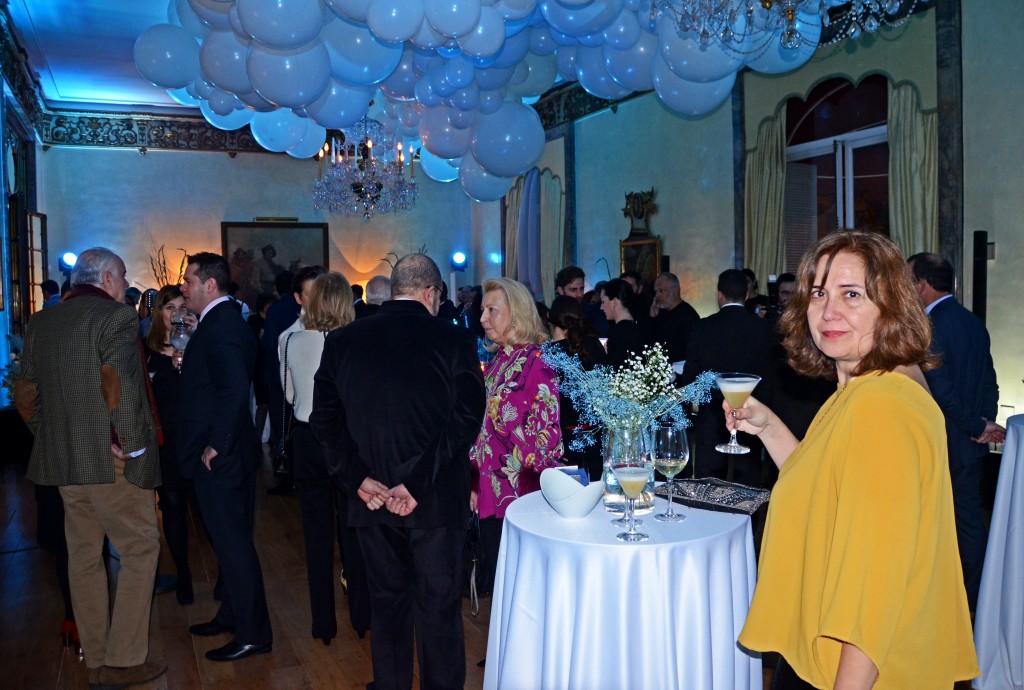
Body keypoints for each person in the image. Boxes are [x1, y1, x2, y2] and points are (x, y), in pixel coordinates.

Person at [730, 231, 978, 689]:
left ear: (891, 306)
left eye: (852, 294)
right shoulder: (868, 387)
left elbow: (873, 589)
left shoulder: (878, 406)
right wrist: (768, 428)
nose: (829, 312)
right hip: (843, 655)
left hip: (849, 668)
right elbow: (827, 488)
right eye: (819, 293)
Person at [310, 254, 485, 690]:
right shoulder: (453, 340)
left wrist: (357, 479)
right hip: (435, 497)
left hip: (371, 498)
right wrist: (417, 481)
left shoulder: (343, 341)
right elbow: (465, 419)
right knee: (438, 610)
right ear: (430, 292)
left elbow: (324, 421)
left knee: (388, 608)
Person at [15, 247, 165, 688]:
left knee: (82, 556)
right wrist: (130, 446)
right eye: (121, 276)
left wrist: (49, 435)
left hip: (64, 461)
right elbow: (115, 385)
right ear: (106, 279)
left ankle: (95, 655)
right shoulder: (114, 319)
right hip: (109, 460)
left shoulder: (44, 321)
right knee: (139, 550)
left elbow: (25, 395)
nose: (124, 287)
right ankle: (124, 659)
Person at [178, 251, 272, 663]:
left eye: (188, 281)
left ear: (209, 285)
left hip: (224, 456)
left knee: (234, 546)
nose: (183, 288)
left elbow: (235, 390)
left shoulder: (221, 326)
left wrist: (217, 443)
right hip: (227, 452)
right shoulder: (221, 321)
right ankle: (232, 615)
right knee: (227, 542)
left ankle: (254, 633)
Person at [908, 252, 1004, 611]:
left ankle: (944, 606)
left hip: (942, 443)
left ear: (923, 285)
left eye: (908, 280)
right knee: (970, 523)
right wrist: (983, 425)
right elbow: (990, 381)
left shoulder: (928, 328)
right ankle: (974, 605)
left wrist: (976, 426)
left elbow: (941, 389)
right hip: (969, 443)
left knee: (938, 527)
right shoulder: (972, 321)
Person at [281, 272, 369, 644]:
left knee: (315, 535)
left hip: (306, 441)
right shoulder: (352, 342)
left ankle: (323, 625)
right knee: (353, 531)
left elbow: (288, 395)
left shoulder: (290, 339)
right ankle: (362, 617)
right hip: (344, 439)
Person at [470, 278, 564, 596]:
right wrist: (474, 480)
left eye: (492, 310)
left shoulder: (538, 361)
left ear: (517, 313)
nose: (483, 318)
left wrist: (533, 498)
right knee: (500, 585)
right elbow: (483, 428)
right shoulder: (498, 361)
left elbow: (548, 435)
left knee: (519, 588)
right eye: (483, 310)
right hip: (491, 488)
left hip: (519, 496)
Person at [679, 268, 775, 485]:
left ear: (719, 295)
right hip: (751, 414)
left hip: (712, 415)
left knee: (708, 481)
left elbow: (690, 376)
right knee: (747, 482)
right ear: (747, 294)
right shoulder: (763, 328)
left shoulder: (703, 327)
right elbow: (770, 377)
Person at [144, 285, 196, 606]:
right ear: (158, 314)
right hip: (166, 442)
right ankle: (184, 575)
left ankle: (225, 580)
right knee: (173, 509)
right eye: (169, 308)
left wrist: (193, 343)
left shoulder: (197, 344)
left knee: (205, 508)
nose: (176, 314)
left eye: (180, 307)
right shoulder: (146, 352)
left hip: (195, 440)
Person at [546, 295, 607, 481]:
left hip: (565, 437)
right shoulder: (594, 345)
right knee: (596, 488)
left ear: (550, 320)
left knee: (571, 494)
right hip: (596, 433)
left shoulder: (549, 353)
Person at [648, 271, 700, 365]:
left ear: (675, 290)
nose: (657, 296)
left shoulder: (688, 315)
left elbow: (692, 351)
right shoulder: (660, 313)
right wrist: (652, 319)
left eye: (661, 291)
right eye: (655, 291)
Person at [599, 278, 645, 369]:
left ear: (615, 301)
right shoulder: (641, 328)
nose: (601, 307)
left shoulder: (616, 333)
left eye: (603, 301)